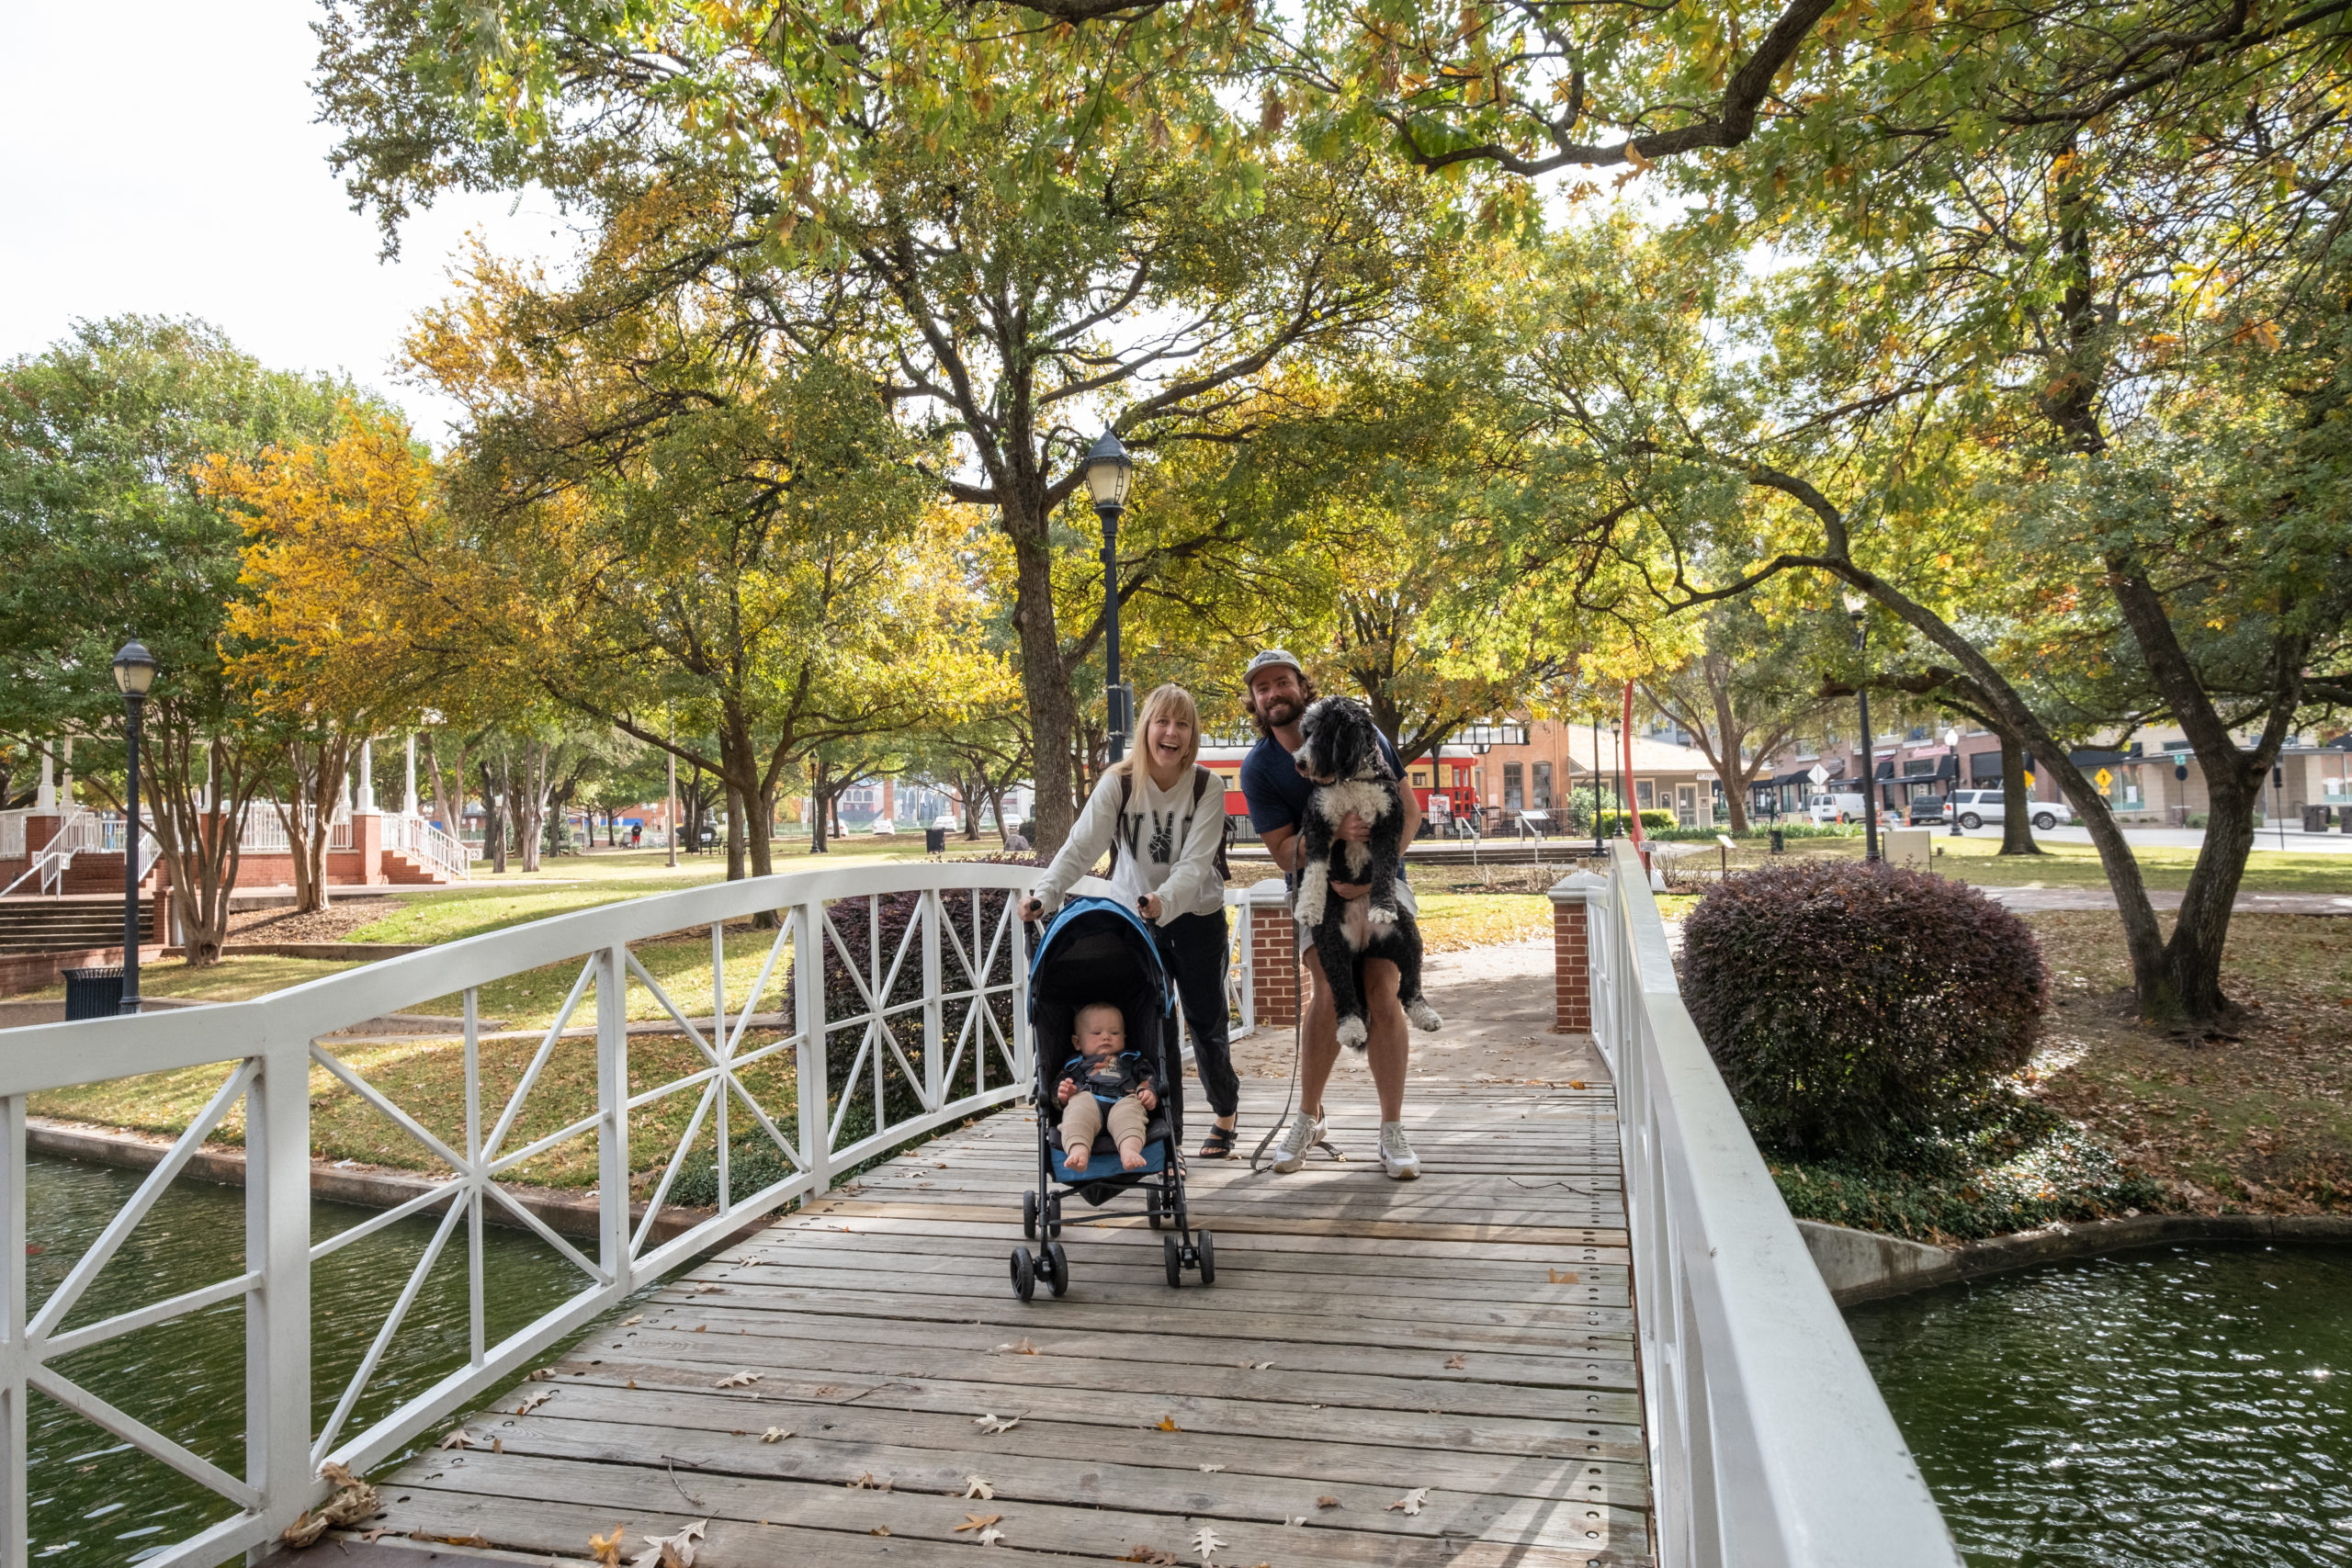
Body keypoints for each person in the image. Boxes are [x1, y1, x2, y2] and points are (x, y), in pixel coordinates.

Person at [1021, 683, 1240, 1160]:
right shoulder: (1118, 782)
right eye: (1162, 721)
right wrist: (1044, 895)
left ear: (1192, 734)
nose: (1171, 732)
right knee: (1156, 1031)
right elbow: (1081, 847)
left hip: (1195, 916)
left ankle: (1225, 1109)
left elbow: (1196, 862)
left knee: (1207, 1024)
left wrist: (1164, 900)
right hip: (1136, 923)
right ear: (1146, 728)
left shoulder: (1207, 786)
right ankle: (1170, 1148)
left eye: (1183, 724)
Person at [1237, 649, 1422, 1179]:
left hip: (1383, 882)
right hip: (1318, 889)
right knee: (1329, 990)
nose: (1273, 693)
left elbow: (1407, 812)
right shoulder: (1259, 768)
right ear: (1254, 701)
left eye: (1282, 682)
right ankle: (1307, 1118)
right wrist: (1333, 833)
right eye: (1262, 687)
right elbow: (1281, 852)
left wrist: (1374, 876)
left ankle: (1391, 1132)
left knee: (1383, 991)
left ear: (1302, 686)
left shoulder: (1361, 732)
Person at [1054, 1002, 1160, 1175]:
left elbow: (1149, 1077)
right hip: (1087, 1098)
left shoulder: (1132, 1059)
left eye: (1115, 1033)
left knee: (1131, 1115)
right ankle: (1078, 1150)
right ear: (1077, 1042)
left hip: (1124, 1098)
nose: (1106, 1037)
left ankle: (1129, 1150)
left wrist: (1147, 1091)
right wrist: (1063, 1095)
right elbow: (1056, 1087)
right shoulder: (1073, 1065)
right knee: (1076, 1112)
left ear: (1124, 1037)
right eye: (1097, 1033)